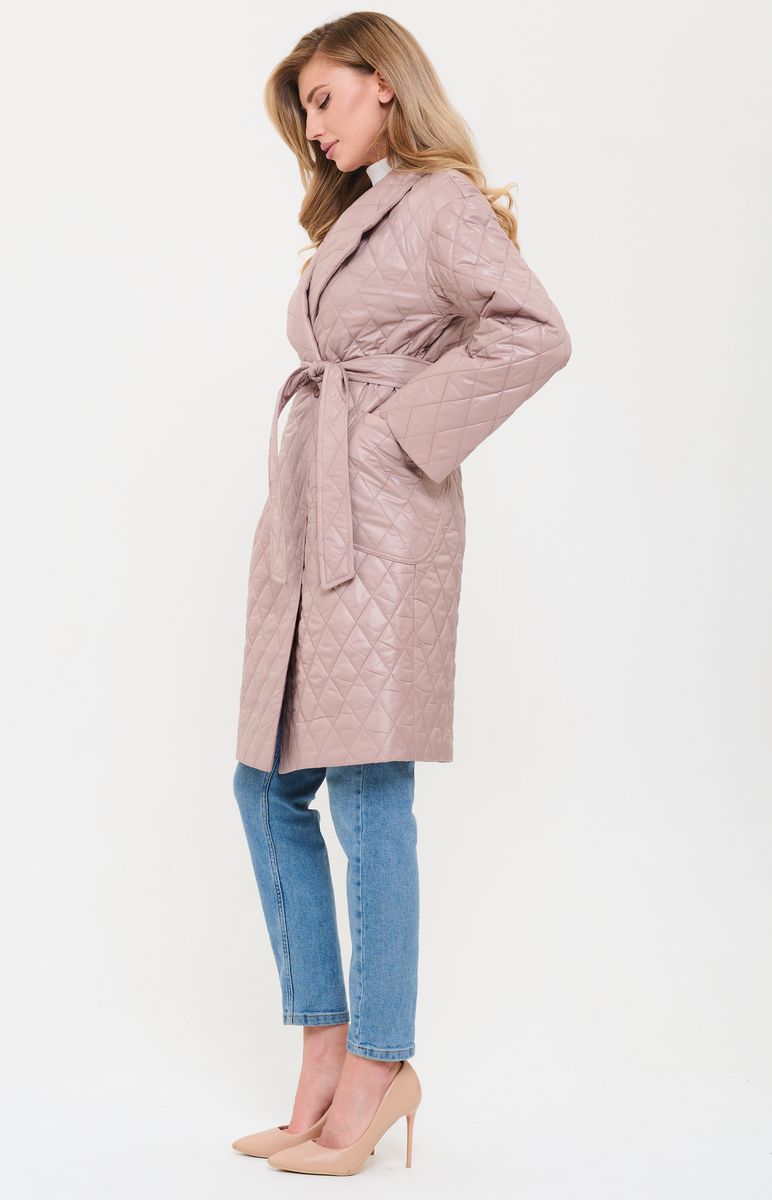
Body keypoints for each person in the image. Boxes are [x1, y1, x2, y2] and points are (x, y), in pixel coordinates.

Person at [231, 11, 572, 1177]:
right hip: (309, 524)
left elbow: (533, 332)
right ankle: (324, 1052)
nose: (314, 130)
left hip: (381, 526)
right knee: (266, 784)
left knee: (370, 790)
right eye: (305, 116)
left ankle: (379, 1068)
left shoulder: (438, 202)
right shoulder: (358, 217)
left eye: (324, 100)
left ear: (384, 82)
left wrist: (392, 435)